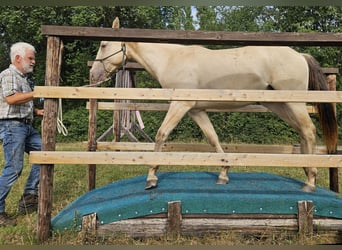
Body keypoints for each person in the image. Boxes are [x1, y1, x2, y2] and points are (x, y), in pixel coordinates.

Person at [0, 42, 44, 226]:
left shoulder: (24, 78)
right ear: (17, 58)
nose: (34, 62)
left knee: (45, 153)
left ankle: (29, 195)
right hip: (12, 126)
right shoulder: (8, 74)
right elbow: (10, 99)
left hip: (24, 125)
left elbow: (22, 103)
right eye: (30, 58)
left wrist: (36, 112)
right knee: (14, 168)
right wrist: (37, 93)